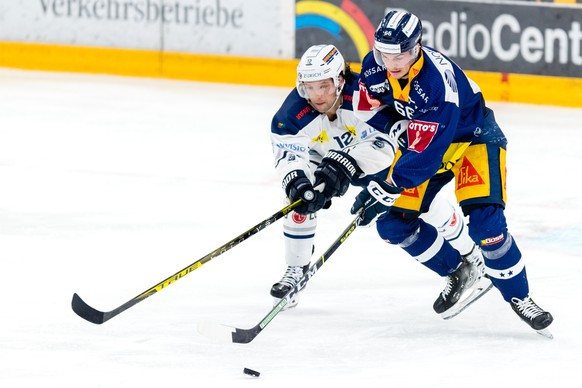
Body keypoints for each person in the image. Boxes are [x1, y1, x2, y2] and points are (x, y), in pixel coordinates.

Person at [351, 10, 553, 335]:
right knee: (391, 224)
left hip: (474, 140)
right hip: (428, 144)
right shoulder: (374, 66)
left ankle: (520, 297)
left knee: (488, 226)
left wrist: (386, 185)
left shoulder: (434, 84)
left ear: (417, 46)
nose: (391, 62)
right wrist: (396, 126)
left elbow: (426, 158)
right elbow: (365, 106)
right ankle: (461, 270)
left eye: (399, 54)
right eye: (383, 53)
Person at [269, 44, 489, 310]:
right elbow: (288, 152)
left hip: (378, 164)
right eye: (309, 87)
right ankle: (296, 271)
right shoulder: (292, 113)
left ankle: (472, 254)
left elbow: (388, 141)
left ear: (340, 79)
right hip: (328, 163)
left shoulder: (366, 93)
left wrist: (347, 162)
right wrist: (297, 180)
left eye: (323, 86)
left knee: (423, 205)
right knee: (297, 201)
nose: (316, 95)